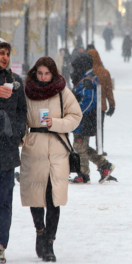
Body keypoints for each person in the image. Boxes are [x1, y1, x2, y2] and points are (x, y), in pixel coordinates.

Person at [20, 57, 82, 262]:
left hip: (57, 148)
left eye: (47, 74)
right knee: (35, 196)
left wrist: (55, 122)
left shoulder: (62, 91)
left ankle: (50, 243)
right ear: (34, 73)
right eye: (40, 73)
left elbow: (75, 116)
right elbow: (20, 118)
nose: (43, 77)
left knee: (53, 198)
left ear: (53, 73)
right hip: (34, 148)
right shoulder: (27, 91)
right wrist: (21, 139)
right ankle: (40, 230)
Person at [69, 53, 116, 184]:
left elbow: (89, 100)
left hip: (83, 120)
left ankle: (84, 175)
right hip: (84, 120)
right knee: (82, 146)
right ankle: (104, 165)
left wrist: (76, 112)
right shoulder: (87, 78)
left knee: (79, 146)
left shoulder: (87, 80)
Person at [0, 38, 27, 264]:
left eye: (7, 53)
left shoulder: (15, 82)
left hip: (7, 153)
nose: (4, 57)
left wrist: (16, 134)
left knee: (5, 201)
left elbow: (21, 112)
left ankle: (0, 246)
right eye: (0, 53)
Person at [87, 48, 115, 156]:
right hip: (101, 106)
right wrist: (112, 105)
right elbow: (109, 91)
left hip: (88, 105)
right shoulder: (105, 72)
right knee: (99, 128)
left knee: (86, 129)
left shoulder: (86, 72)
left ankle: (85, 148)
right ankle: (100, 148)